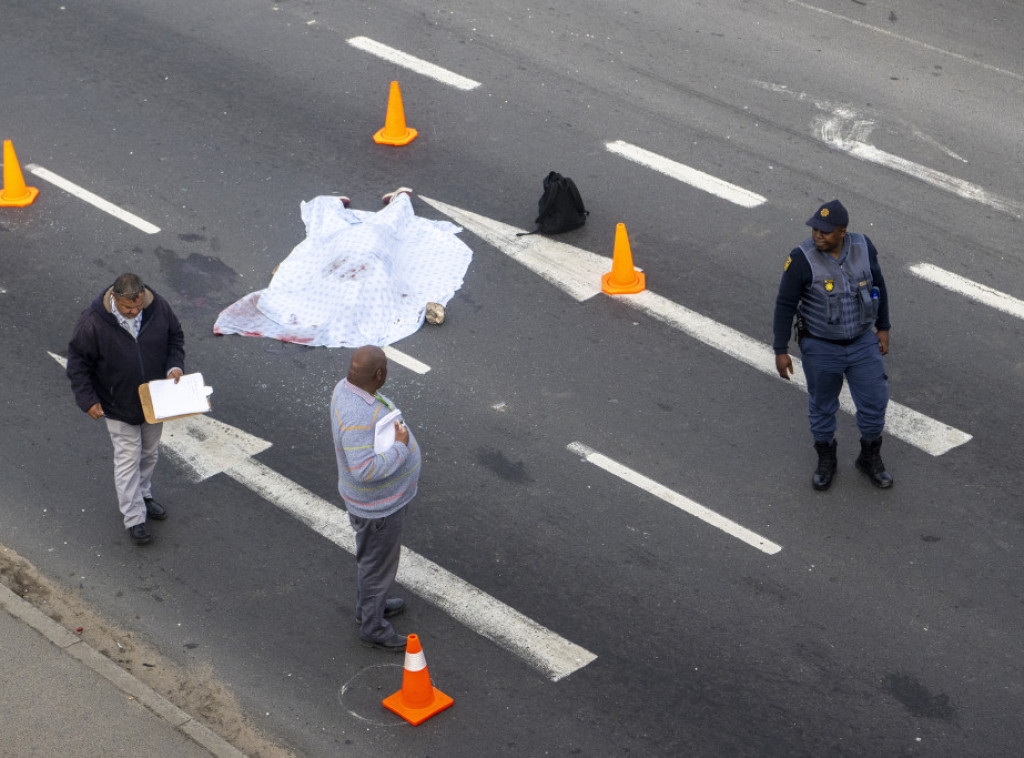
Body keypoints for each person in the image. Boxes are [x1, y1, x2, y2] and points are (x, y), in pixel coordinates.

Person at [773, 200, 893, 490]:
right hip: (821, 347)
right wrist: (781, 349)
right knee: (823, 406)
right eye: (816, 229)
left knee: (875, 403)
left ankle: (869, 456)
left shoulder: (864, 247)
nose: (818, 235)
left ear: (843, 231)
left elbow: (878, 285)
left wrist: (883, 327)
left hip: (863, 343)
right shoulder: (801, 259)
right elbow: (785, 304)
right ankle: (826, 457)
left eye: (826, 231)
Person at [67, 273, 185, 544]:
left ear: (142, 296)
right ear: (115, 299)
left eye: (138, 306)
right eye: (128, 308)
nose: (134, 312)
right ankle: (134, 517)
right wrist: (87, 400)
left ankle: (144, 495)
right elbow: (77, 364)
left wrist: (174, 367)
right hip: (117, 404)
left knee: (149, 454)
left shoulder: (158, 308)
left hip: (155, 400)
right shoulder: (93, 323)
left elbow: (175, 338)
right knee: (127, 459)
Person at [331, 345, 421, 651]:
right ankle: (373, 626)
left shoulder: (346, 389)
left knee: (372, 562)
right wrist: (400, 447)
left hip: (378, 504)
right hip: (378, 509)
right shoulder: (358, 416)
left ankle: (368, 608)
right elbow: (363, 469)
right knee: (377, 568)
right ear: (379, 374)